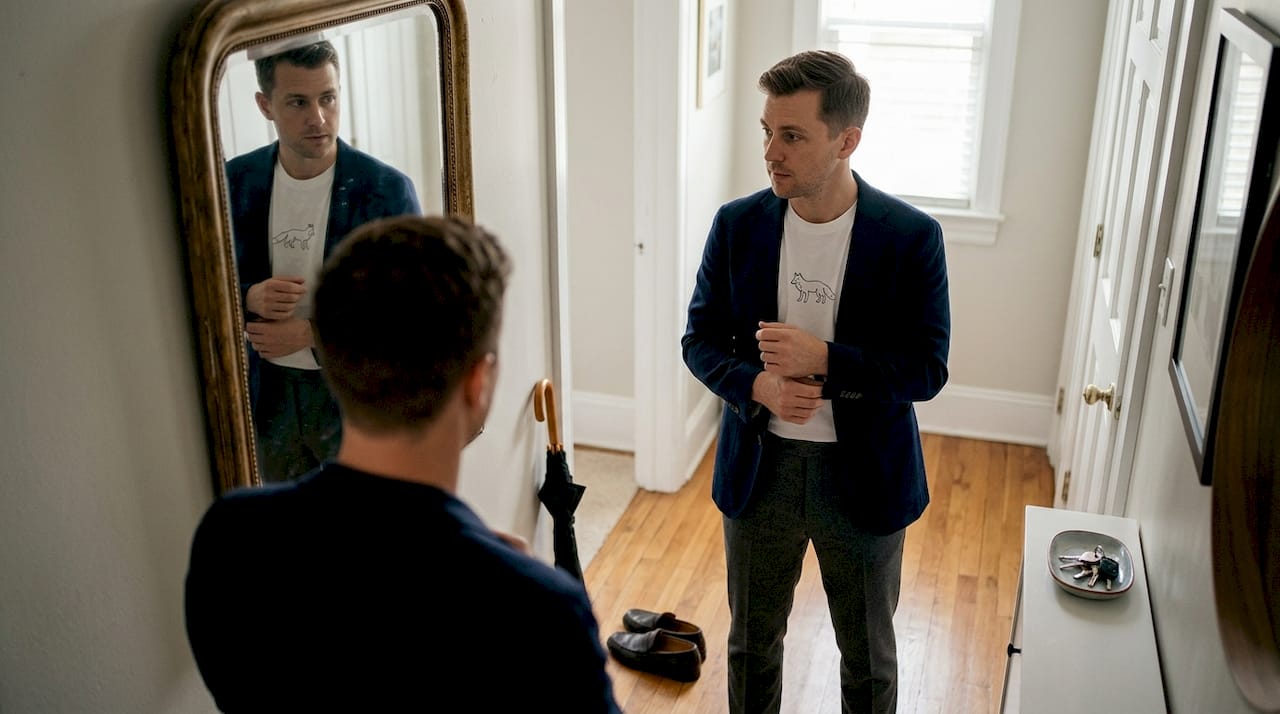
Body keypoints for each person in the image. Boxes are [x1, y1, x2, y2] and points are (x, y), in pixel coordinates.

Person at [185, 214, 621, 712]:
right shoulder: (541, 614)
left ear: (335, 359)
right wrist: (519, 585)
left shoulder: (229, 539)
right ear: (478, 383)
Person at [682, 50, 950, 713]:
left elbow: (926, 369)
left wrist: (825, 357)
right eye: (767, 132)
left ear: (846, 140)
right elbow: (699, 342)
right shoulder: (736, 225)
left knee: (868, 661)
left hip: (864, 479)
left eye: (793, 136)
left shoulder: (911, 238)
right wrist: (758, 386)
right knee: (751, 648)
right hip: (759, 473)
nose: (771, 152)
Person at [227, 40, 422, 483]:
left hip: (355, 396)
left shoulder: (386, 191)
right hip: (266, 397)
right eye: (298, 102)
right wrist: (249, 297)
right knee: (288, 521)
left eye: (328, 98)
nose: (318, 118)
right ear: (265, 105)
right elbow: (200, 283)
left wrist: (314, 334)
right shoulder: (234, 181)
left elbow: (412, 311)